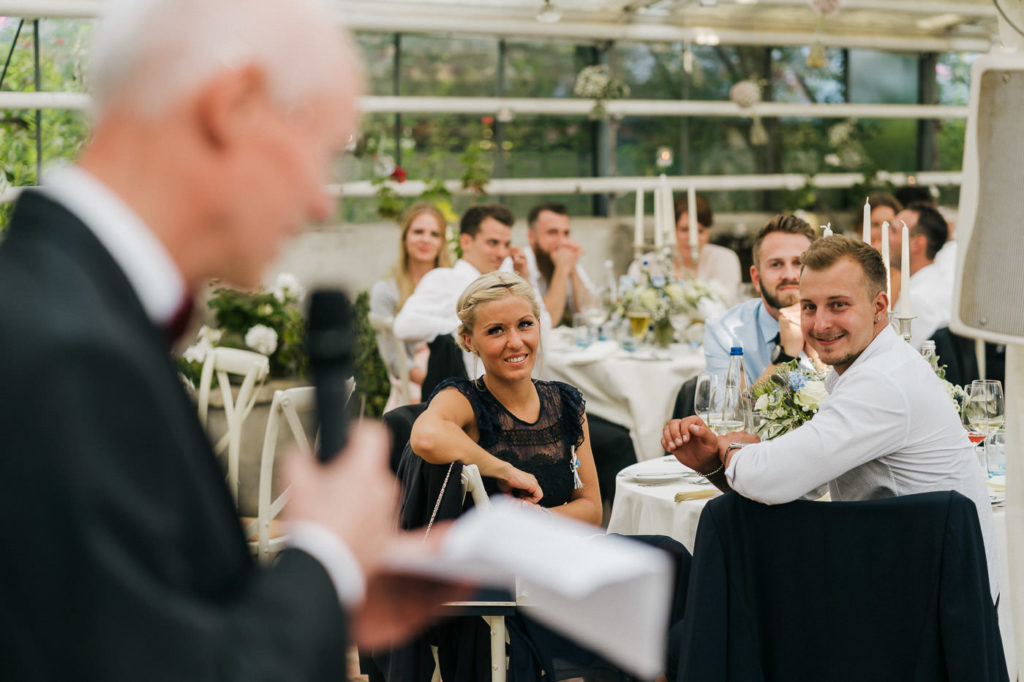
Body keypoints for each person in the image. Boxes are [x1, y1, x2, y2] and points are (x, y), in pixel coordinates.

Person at [0, 0, 462, 677]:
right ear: (234, 104)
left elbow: (130, 627)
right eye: (325, 152)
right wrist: (325, 555)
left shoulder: (62, 307)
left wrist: (318, 604)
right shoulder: (66, 354)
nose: (321, 203)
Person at [662, 235, 998, 599]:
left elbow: (771, 479)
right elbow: (805, 485)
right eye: (808, 307)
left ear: (879, 306)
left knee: (720, 569)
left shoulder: (881, 380)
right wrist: (723, 462)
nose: (820, 324)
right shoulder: (863, 368)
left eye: (837, 305)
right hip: (910, 574)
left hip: (933, 601)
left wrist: (727, 452)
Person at [411, 270, 602, 524]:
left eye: (524, 325)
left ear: (538, 323)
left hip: (558, 551)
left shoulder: (565, 403)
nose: (515, 342)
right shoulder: (464, 399)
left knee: (667, 549)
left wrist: (539, 516)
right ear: (470, 341)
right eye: (496, 331)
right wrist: (505, 471)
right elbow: (426, 437)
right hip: (491, 560)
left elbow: (592, 510)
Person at [393, 203, 541, 378]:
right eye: (493, 243)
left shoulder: (506, 281)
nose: (501, 253)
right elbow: (403, 325)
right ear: (465, 242)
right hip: (471, 391)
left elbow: (543, 336)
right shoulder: (445, 278)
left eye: (506, 244)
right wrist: (468, 328)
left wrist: (525, 280)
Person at [702, 214, 819, 386]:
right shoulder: (725, 333)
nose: (789, 275)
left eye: (798, 263)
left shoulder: (839, 325)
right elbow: (729, 411)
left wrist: (821, 362)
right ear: (756, 278)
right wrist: (785, 356)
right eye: (776, 264)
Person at [371, 202, 452, 408]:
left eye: (435, 234)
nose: (426, 239)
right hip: (410, 389)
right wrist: (437, 382)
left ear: (443, 242)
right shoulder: (386, 291)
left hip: (457, 383)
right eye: (418, 231)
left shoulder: (454, 284)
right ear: (405, 237)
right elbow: (393, 359)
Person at [628, 193, 742, 302]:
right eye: (684, 229)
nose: (692, 238)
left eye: (700, 231)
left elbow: (729, 304)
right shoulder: (645, 265)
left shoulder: (725, 259)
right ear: (671, 230)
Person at [890, 202, 953, 349]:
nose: (885, 238)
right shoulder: (941, 285)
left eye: (893, 231)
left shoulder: (916, 299)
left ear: (917, 243)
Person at [523, 202, 597, 327]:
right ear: (531, 237)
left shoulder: (566, 260)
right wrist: (562, 269)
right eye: (552, 232)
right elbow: (544, 323)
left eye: (566, 233)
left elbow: (590, 316)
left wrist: (572, 269)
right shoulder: (519, 264)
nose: (562, 241)